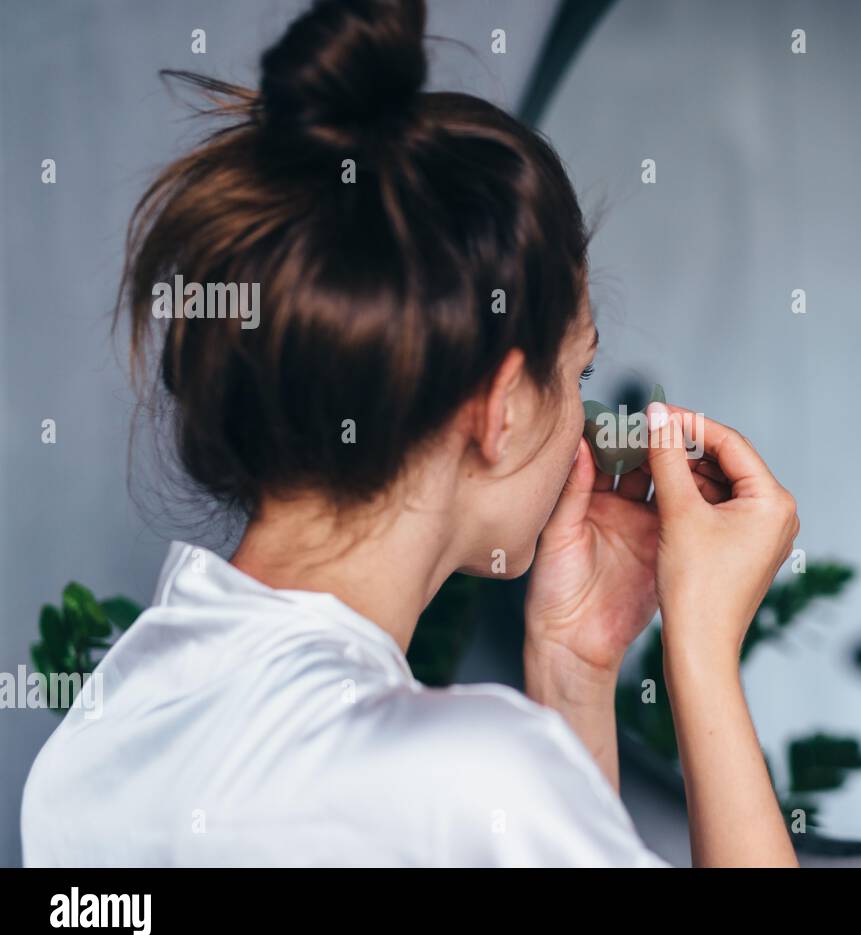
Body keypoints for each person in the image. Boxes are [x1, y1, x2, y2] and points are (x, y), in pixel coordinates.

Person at [21, 0, 800, 867]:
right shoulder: (466, 783)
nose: (583, 417)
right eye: (575, 375)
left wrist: (573, 666)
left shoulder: (98, 739)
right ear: (500, 408)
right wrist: (701, 648)